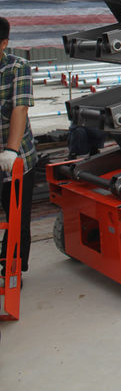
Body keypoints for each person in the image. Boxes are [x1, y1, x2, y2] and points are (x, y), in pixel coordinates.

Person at [0, 16, 37, 284]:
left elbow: (20, 108)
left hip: (17, 156)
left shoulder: (17, 67)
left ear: (3, 43)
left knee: (17, 218)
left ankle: (12, 270)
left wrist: (10, 151)